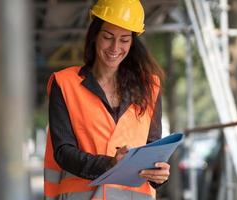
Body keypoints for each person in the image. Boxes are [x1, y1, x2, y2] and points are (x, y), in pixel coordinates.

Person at [44, 0, 170, 199]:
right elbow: (63, 151)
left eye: (124, 40)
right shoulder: (64, 83)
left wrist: (159, 174)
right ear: (94, 36)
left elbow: (153, 148)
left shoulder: (150, 87)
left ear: (133, 42)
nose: (115, 47)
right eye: (108, 37)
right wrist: (109, 164)